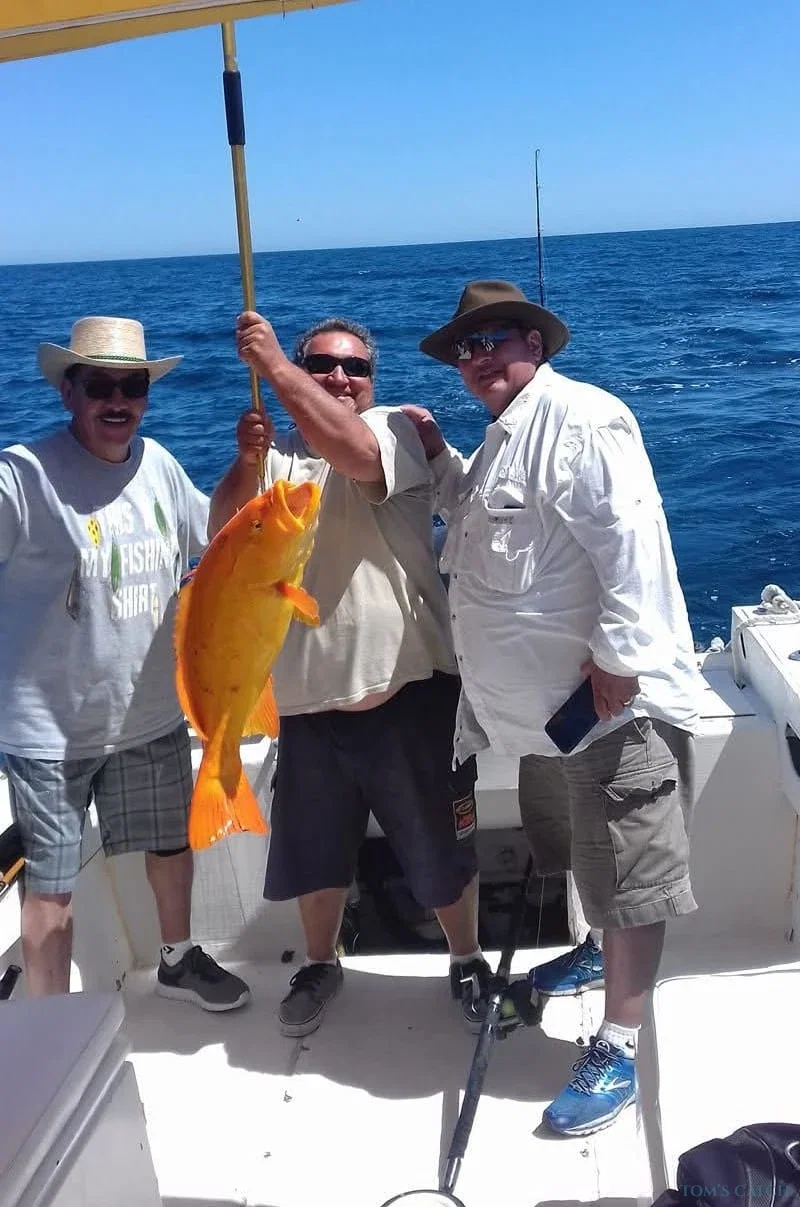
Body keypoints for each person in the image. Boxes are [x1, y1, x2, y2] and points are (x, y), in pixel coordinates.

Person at [404, 279, 702, 1137]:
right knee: (577, 849)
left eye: (496, 338)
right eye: (466, 347)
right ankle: (595, 951)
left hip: (605, 709)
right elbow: (475, 519)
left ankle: (620, 1044)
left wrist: (619, 658)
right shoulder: (503, 437)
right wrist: (440, 458)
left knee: (629, 879)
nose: (479, 357)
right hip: (543, 722)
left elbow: (632, 539)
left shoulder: (583, 419)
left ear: (534, 342)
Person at [208, 310, 489, 1038]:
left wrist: (276, 367)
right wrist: (245, 464)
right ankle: (319, 962)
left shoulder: (395, 431)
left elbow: (357, 455)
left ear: (373, 381)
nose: (339, 377)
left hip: (410, 691)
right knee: (316, 853)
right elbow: (222, 535)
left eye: (355, 367)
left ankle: (466, 959)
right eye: (322, 364)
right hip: (305, 704)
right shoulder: (276, 457)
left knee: (440, 848)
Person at [0, 316, 250, 1011]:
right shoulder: (21, 476)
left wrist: (245, 462)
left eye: (132, 387)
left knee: (170, 847)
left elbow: (219, 535)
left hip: (150, 713)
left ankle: (177, 960)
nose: (118, 401)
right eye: (100, 386)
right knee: (50, 885)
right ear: (68, 391)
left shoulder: (160, 463)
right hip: (49, 732)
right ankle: (51, 1023)